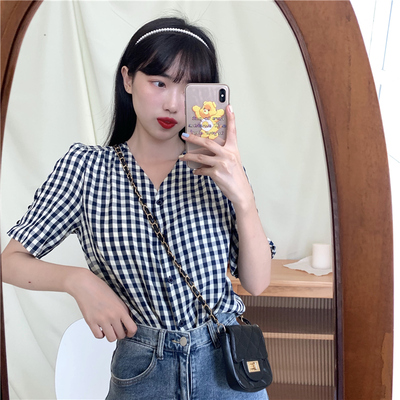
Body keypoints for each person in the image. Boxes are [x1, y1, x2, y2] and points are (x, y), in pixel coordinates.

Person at [2, 16, 275, 400]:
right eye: (159, 82)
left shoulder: (220, 170)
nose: (172, 103)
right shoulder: (86, 169)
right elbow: (10, 261)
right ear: (128, 79)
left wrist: (243, 198)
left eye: (188, 89)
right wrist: (77, 281)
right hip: (143, 371)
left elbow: (257, 282)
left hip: (225, 368)